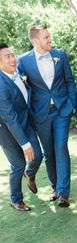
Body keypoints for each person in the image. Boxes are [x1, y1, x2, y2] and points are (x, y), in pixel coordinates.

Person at [18, 25, 76, 208]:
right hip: (40, 114)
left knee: (61, 147)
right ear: (35, 41)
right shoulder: (23, 61)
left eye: (50, 36)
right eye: (46, 37)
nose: (50, 39)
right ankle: (55, 187)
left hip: (61, 111)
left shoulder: (60, 54)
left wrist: (71, 104)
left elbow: (69, 81)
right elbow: (19, 88)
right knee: (49, 152)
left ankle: (64, 192)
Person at [0, 43, 42, 211]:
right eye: (7, 56)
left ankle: (30, 174)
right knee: (18, 165)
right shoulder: (1, 85)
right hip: (6, 131)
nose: (13, 59)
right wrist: (25, 144)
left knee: (38, 156)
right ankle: (16, 199)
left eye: (13, 54)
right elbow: (9, 117)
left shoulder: (18, 73)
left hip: (26, 124)